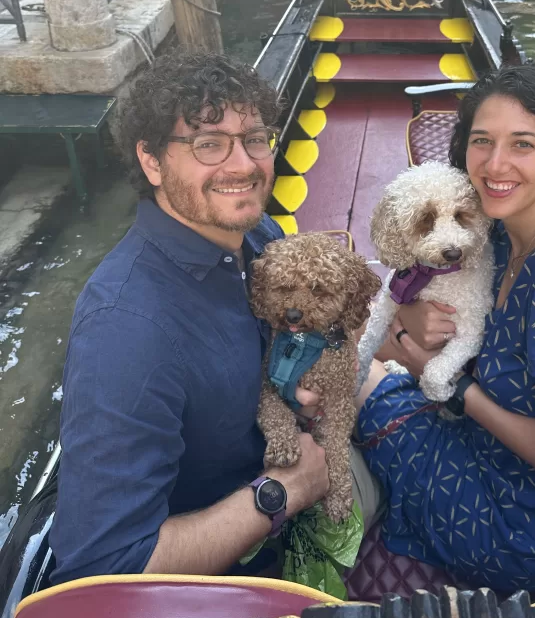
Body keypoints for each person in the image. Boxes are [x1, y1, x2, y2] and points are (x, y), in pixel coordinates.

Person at [50, 52, 381, 583]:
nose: (244, 165)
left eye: (254, 138)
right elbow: (103, 567)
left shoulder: (259, 238)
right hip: (235, 569)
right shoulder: (124, 329)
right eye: (208, 144)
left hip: (303, 448)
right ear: (152, 161)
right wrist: (287, 490)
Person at [356, 65, 535, 592]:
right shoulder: (493, 234)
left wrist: (458, 389)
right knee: (376, 349)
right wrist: (407, 319)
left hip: (533, 534)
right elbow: (413, 296)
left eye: (522, 145)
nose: (495, 165)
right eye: (482, 142)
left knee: (357, 377)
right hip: (502, 463)